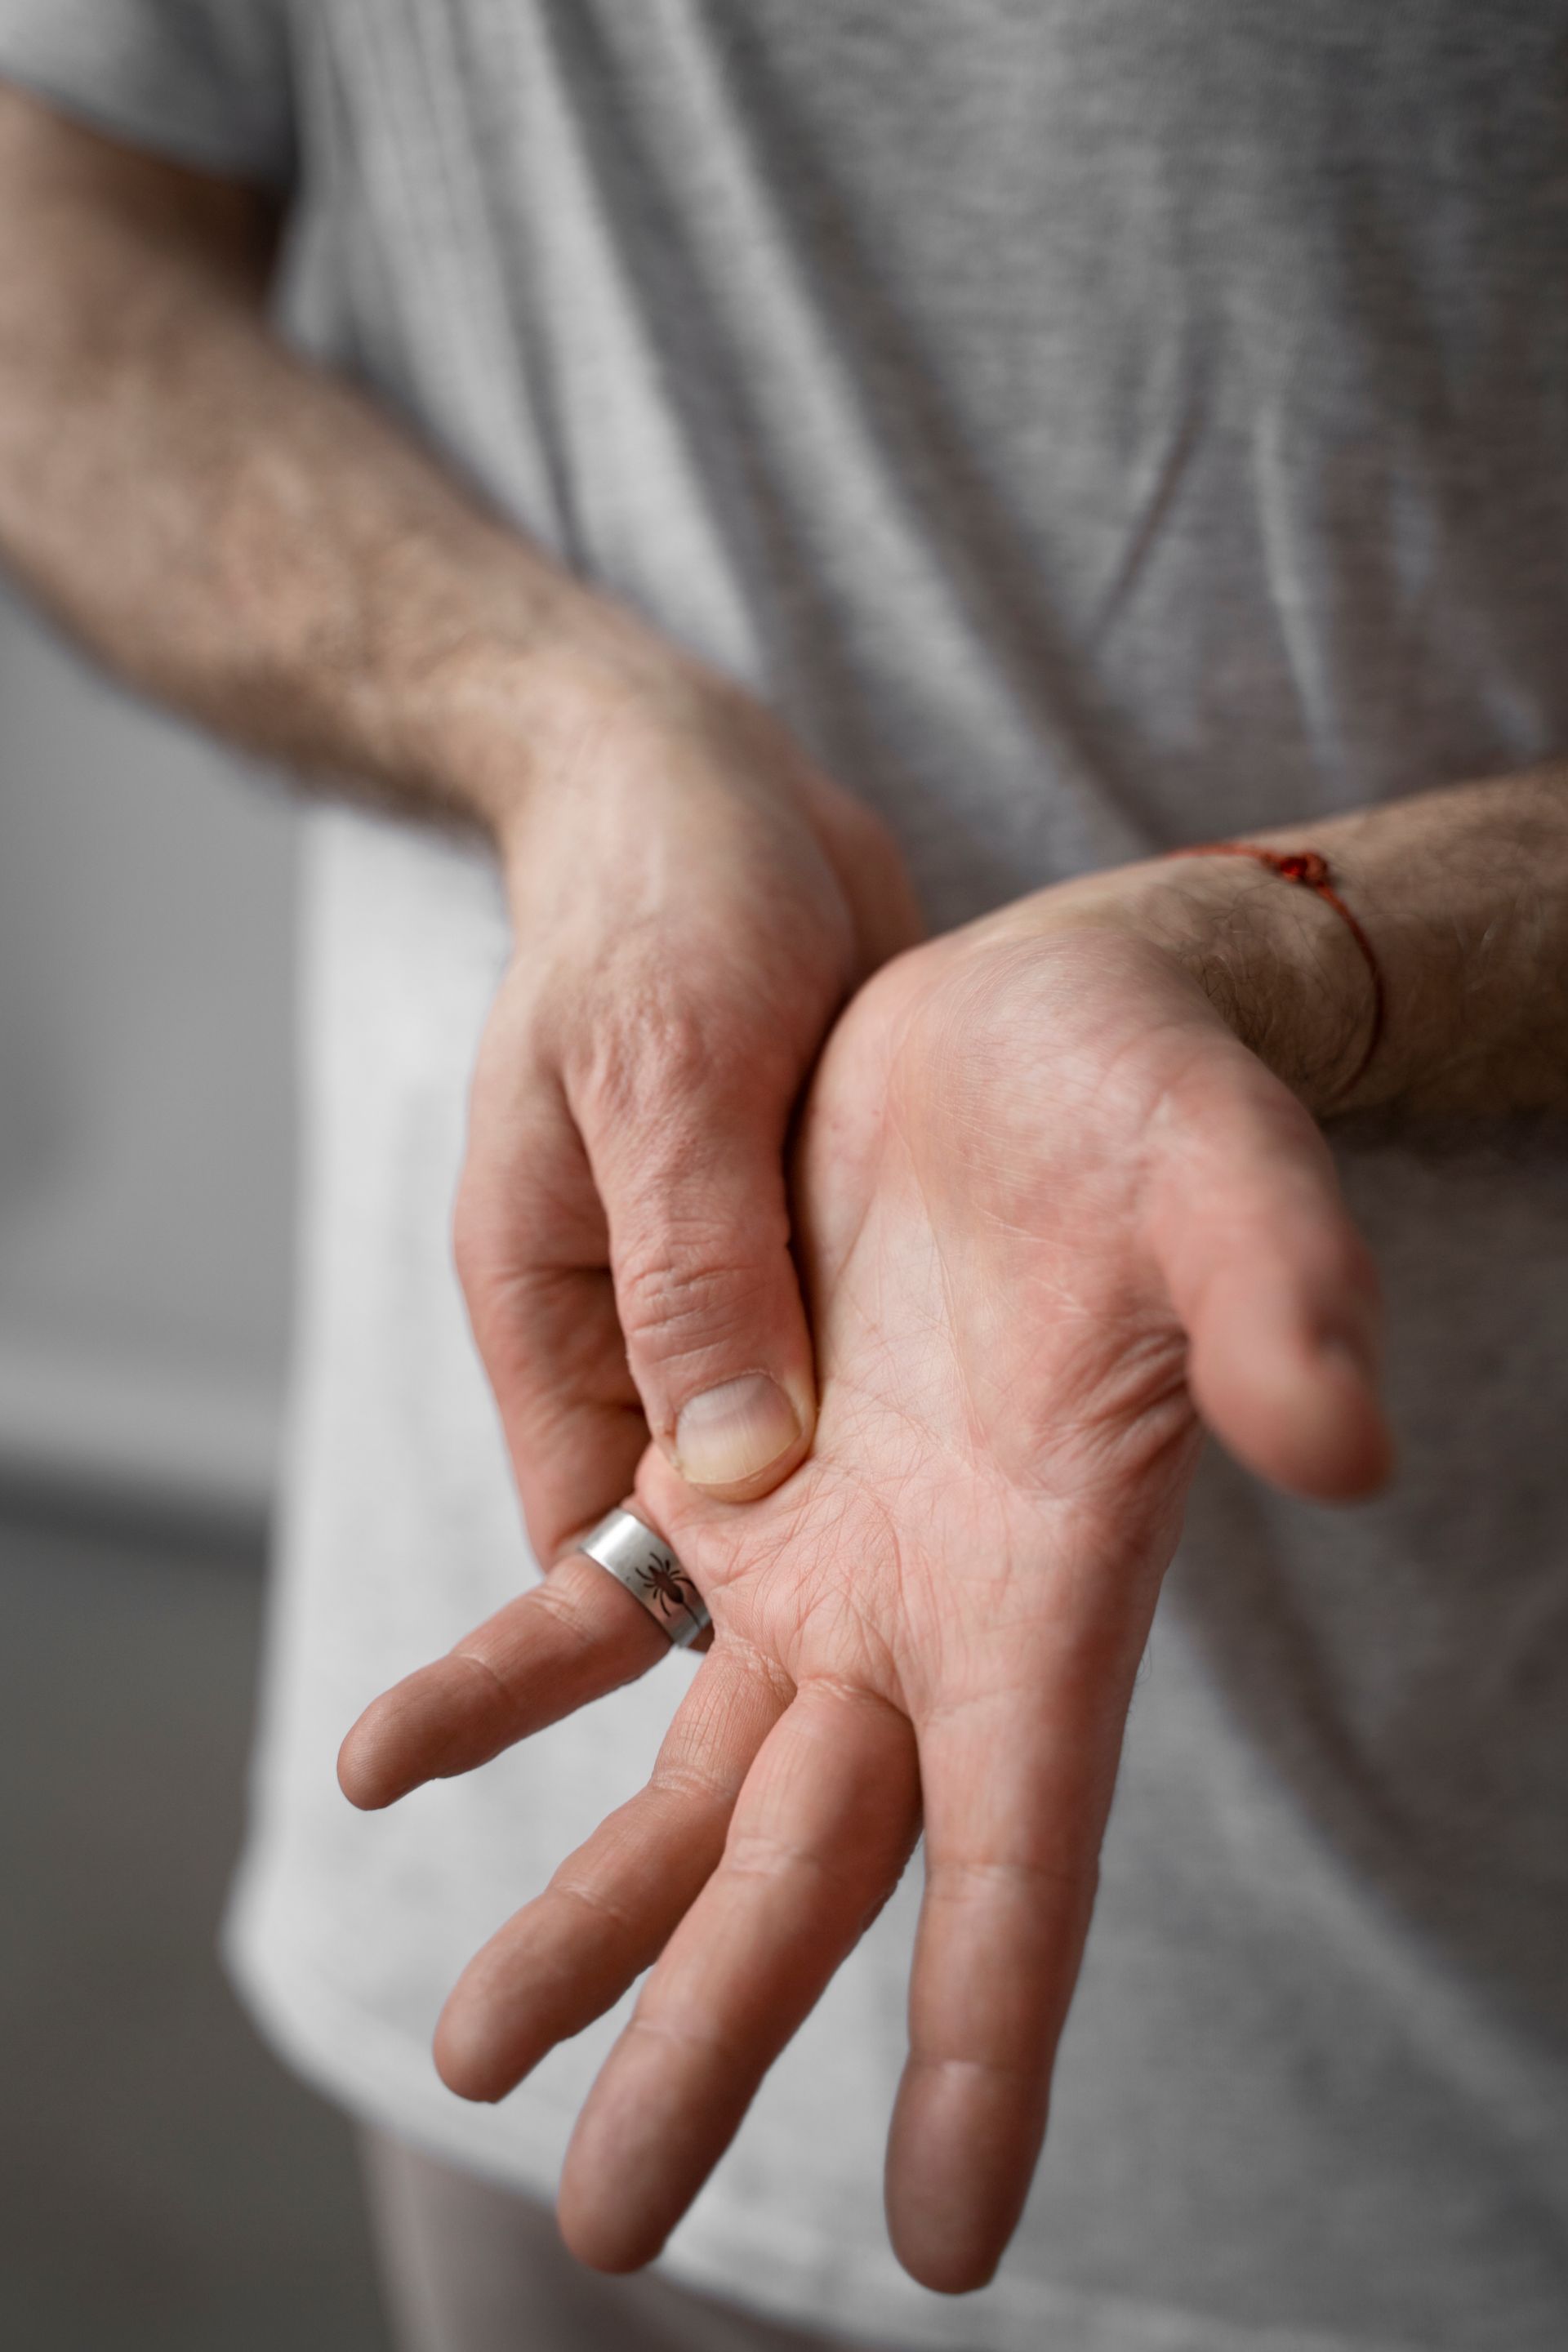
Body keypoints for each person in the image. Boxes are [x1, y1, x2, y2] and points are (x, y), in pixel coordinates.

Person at [0, 7, 1564, 2350]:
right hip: (558, 1733)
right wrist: (561, 731)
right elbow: (58, 250)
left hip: (1462, 1983)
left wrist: (1298, 963)